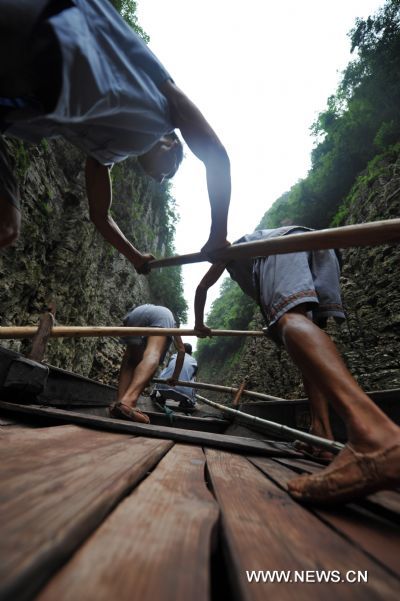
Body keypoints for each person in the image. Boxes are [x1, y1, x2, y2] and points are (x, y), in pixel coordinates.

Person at [0, 0, 230, 272]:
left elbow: (100, 216)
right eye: (168, 173)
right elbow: (215, 155)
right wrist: (218, 234)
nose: (159, 179)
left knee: (7, 223)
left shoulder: (105, 154)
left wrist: (135, 256)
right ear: (171, 143)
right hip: (44, 32)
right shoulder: (166, 107)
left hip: (19, 99)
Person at [194, 226, 400, 504]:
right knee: (308, 344)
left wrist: (198, 325)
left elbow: (202, 287)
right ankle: (322, 435)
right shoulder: (255, 260)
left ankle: (374, 435)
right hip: (319, 248)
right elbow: (276, 306)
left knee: (291, 322)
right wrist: (278, 322)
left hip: (281, 249)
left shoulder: (234, 252)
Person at [110, 303, 185, 424]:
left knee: (131, 360)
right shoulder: (171, 321)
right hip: (162, 315)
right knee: (153, 353)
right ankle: (129, 402)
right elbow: (181, 351)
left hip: (136, 312)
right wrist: (175, 377)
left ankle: (119, 402)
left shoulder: (149, 309)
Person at [151, 342, 198, 409]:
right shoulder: (194, 361)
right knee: (194, 377)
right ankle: (186, 402)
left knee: (165, 369)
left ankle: (158, 395)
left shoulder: (173, 356)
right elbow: (193, 376)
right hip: (182, 394)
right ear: (191, 353)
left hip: (163, 389)